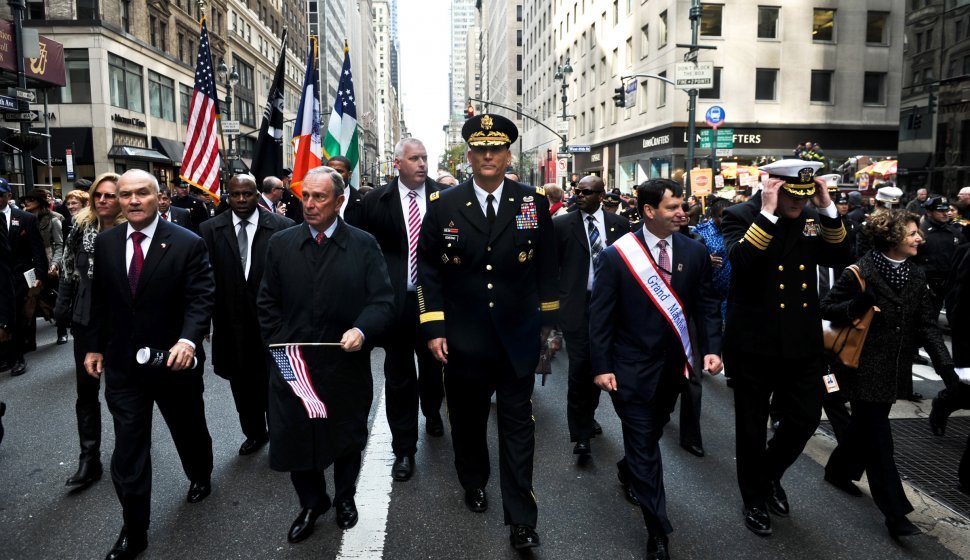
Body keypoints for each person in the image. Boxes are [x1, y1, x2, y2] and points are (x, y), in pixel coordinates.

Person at [416, 114, 558, 550]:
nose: (488, 156)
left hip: (517, 337)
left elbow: (547, 269)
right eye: (480, 150)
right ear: (469, 157)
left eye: (496, 149)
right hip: (463, 339)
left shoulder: (532, 202)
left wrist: (550, 328)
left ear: (508, 154)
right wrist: (434, 326)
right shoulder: (443, 206)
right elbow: (428, 273)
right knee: (468, 422)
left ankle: (521, 518)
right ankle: (473, 479)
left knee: (519, 428)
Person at [257, 166, 394, 544]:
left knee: (346, 434)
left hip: (343, 362)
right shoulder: (281, 244)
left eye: (320, 198)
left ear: (339, 201)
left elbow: (382, 300)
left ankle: (346, 498)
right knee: (297, 435)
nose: (311, 205)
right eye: (306, 197)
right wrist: (280, 344)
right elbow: (267, 301)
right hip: (293, 363)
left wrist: (361, 330)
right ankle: (312, 502)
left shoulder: (364, 244)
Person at [84, 169, 215, 560]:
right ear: (118, 201)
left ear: (159, 198)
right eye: (126, 195)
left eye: (143, 193)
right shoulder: (106, 244)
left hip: (174, 362)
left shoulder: (188, 243)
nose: (134, 201)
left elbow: (201, 298)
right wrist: (93, 347)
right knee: (128, 449)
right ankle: (134, 530)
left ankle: (200, 473)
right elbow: (99, 301)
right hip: (125, 367)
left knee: (189, 429)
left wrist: (188, 340)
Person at [589, 178, 723, 560]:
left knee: (654, 429)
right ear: (649, 211)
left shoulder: (694, 252)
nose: (683, 213)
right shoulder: (617, 256)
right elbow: (600, 318)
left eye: (682, 206)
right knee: (645, 443)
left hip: (674, 368)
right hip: (630, 369)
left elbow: (707, 305)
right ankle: (657, 529)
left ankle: (627, 468)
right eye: (673, 207)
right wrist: (602, 366)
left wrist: (712, 349)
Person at [721, 159, 850, 536]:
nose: (799, 203)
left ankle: (768, 475)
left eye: (805, 195)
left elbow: (839, 255)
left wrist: (827, 207)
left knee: (805, 418)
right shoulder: (740, 214)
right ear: (773, 186)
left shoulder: (811, 216)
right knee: (750, 427)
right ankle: (754, 498)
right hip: (753, 342)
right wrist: (768, 212)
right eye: (793, 195)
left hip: (800, 340)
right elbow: (742, 261)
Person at [820, 209, 955, 538]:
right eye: (912, 233)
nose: (919, 238)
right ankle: (896, 513)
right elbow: (826, 309)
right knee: (880, 441)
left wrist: (945, 368)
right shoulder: (860, 272)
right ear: (892, 238)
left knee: (864, 429)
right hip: (861, 368)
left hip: (894, 369)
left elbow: (926, 325)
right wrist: (856, 306)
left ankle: (838, 471)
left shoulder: (916, 274)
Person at [359, 138, 445, 482]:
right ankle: (405, 449)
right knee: (398, 378)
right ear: (397, 163)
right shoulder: (376, 201)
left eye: (425, 157)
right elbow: (366, 254)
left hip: (434, 303)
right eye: (414, 158)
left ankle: (433, 410)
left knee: (433, 367)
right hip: (396, 303)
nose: (422, 164)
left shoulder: (444, 198)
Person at [200, 174, 293, 456]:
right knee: (241, 384)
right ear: (227, 196)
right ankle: (254, 433)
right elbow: (203, 279)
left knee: (276, 382)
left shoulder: (282, 227)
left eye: (247, 194)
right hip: (230, 324)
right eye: (235, 195)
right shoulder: (209, 229)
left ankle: (280, 435)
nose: (241, 200)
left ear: (257, 195)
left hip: (272, 325)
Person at [55, 173, 125, 489]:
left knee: (125, 392)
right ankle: (89, 458)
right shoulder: (81, 229)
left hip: (122, 320)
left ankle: (130, 451)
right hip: (86, 319)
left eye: (110, 195)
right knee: (86, 390)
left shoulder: (133, 230)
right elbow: (70, 271)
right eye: (98, 195)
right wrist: (63, 307)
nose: (102, 201)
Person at [553, 175, 631, 460]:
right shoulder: (562, 224)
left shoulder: (619, 225)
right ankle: (581, 435)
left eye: (586, 192)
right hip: (576, 307)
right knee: (580, 368)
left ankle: (589, 415)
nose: (580, 196)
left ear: (601, 195)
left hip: (609, 306)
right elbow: (552, 268)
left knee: (600, 364)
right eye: (577, 191)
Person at [0, 178, 47, 377]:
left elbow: (37, 250)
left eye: (0, 195)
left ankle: (18, 357)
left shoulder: (25, 218)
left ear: (9, 196)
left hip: (20, 275)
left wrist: (39, 274)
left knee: (19, 316)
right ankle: (5, 355)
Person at [21, 189, 65, 343]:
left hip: (50, 262)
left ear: (39, 202)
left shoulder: (54, 220)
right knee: (31, 297)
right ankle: (28, 339)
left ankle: (62, 331)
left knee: (56, 298)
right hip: (30, 264)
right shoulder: (23, 218)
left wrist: (54, 264)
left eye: (31, 199)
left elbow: (59, 245)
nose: (26, 202)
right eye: (26, 200)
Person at [915, 196, 966, 314]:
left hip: (950, 283)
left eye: (947, 210)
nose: (945, 214)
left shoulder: (955, 233)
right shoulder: (920, 232)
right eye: (940, 211)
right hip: (926, 283)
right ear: (929, 212)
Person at [326, 155, 365, 227]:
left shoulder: (363, 202)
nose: (335, 175)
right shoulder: (311, 201)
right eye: (330, 171)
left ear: (349, 175)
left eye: (339, 171)